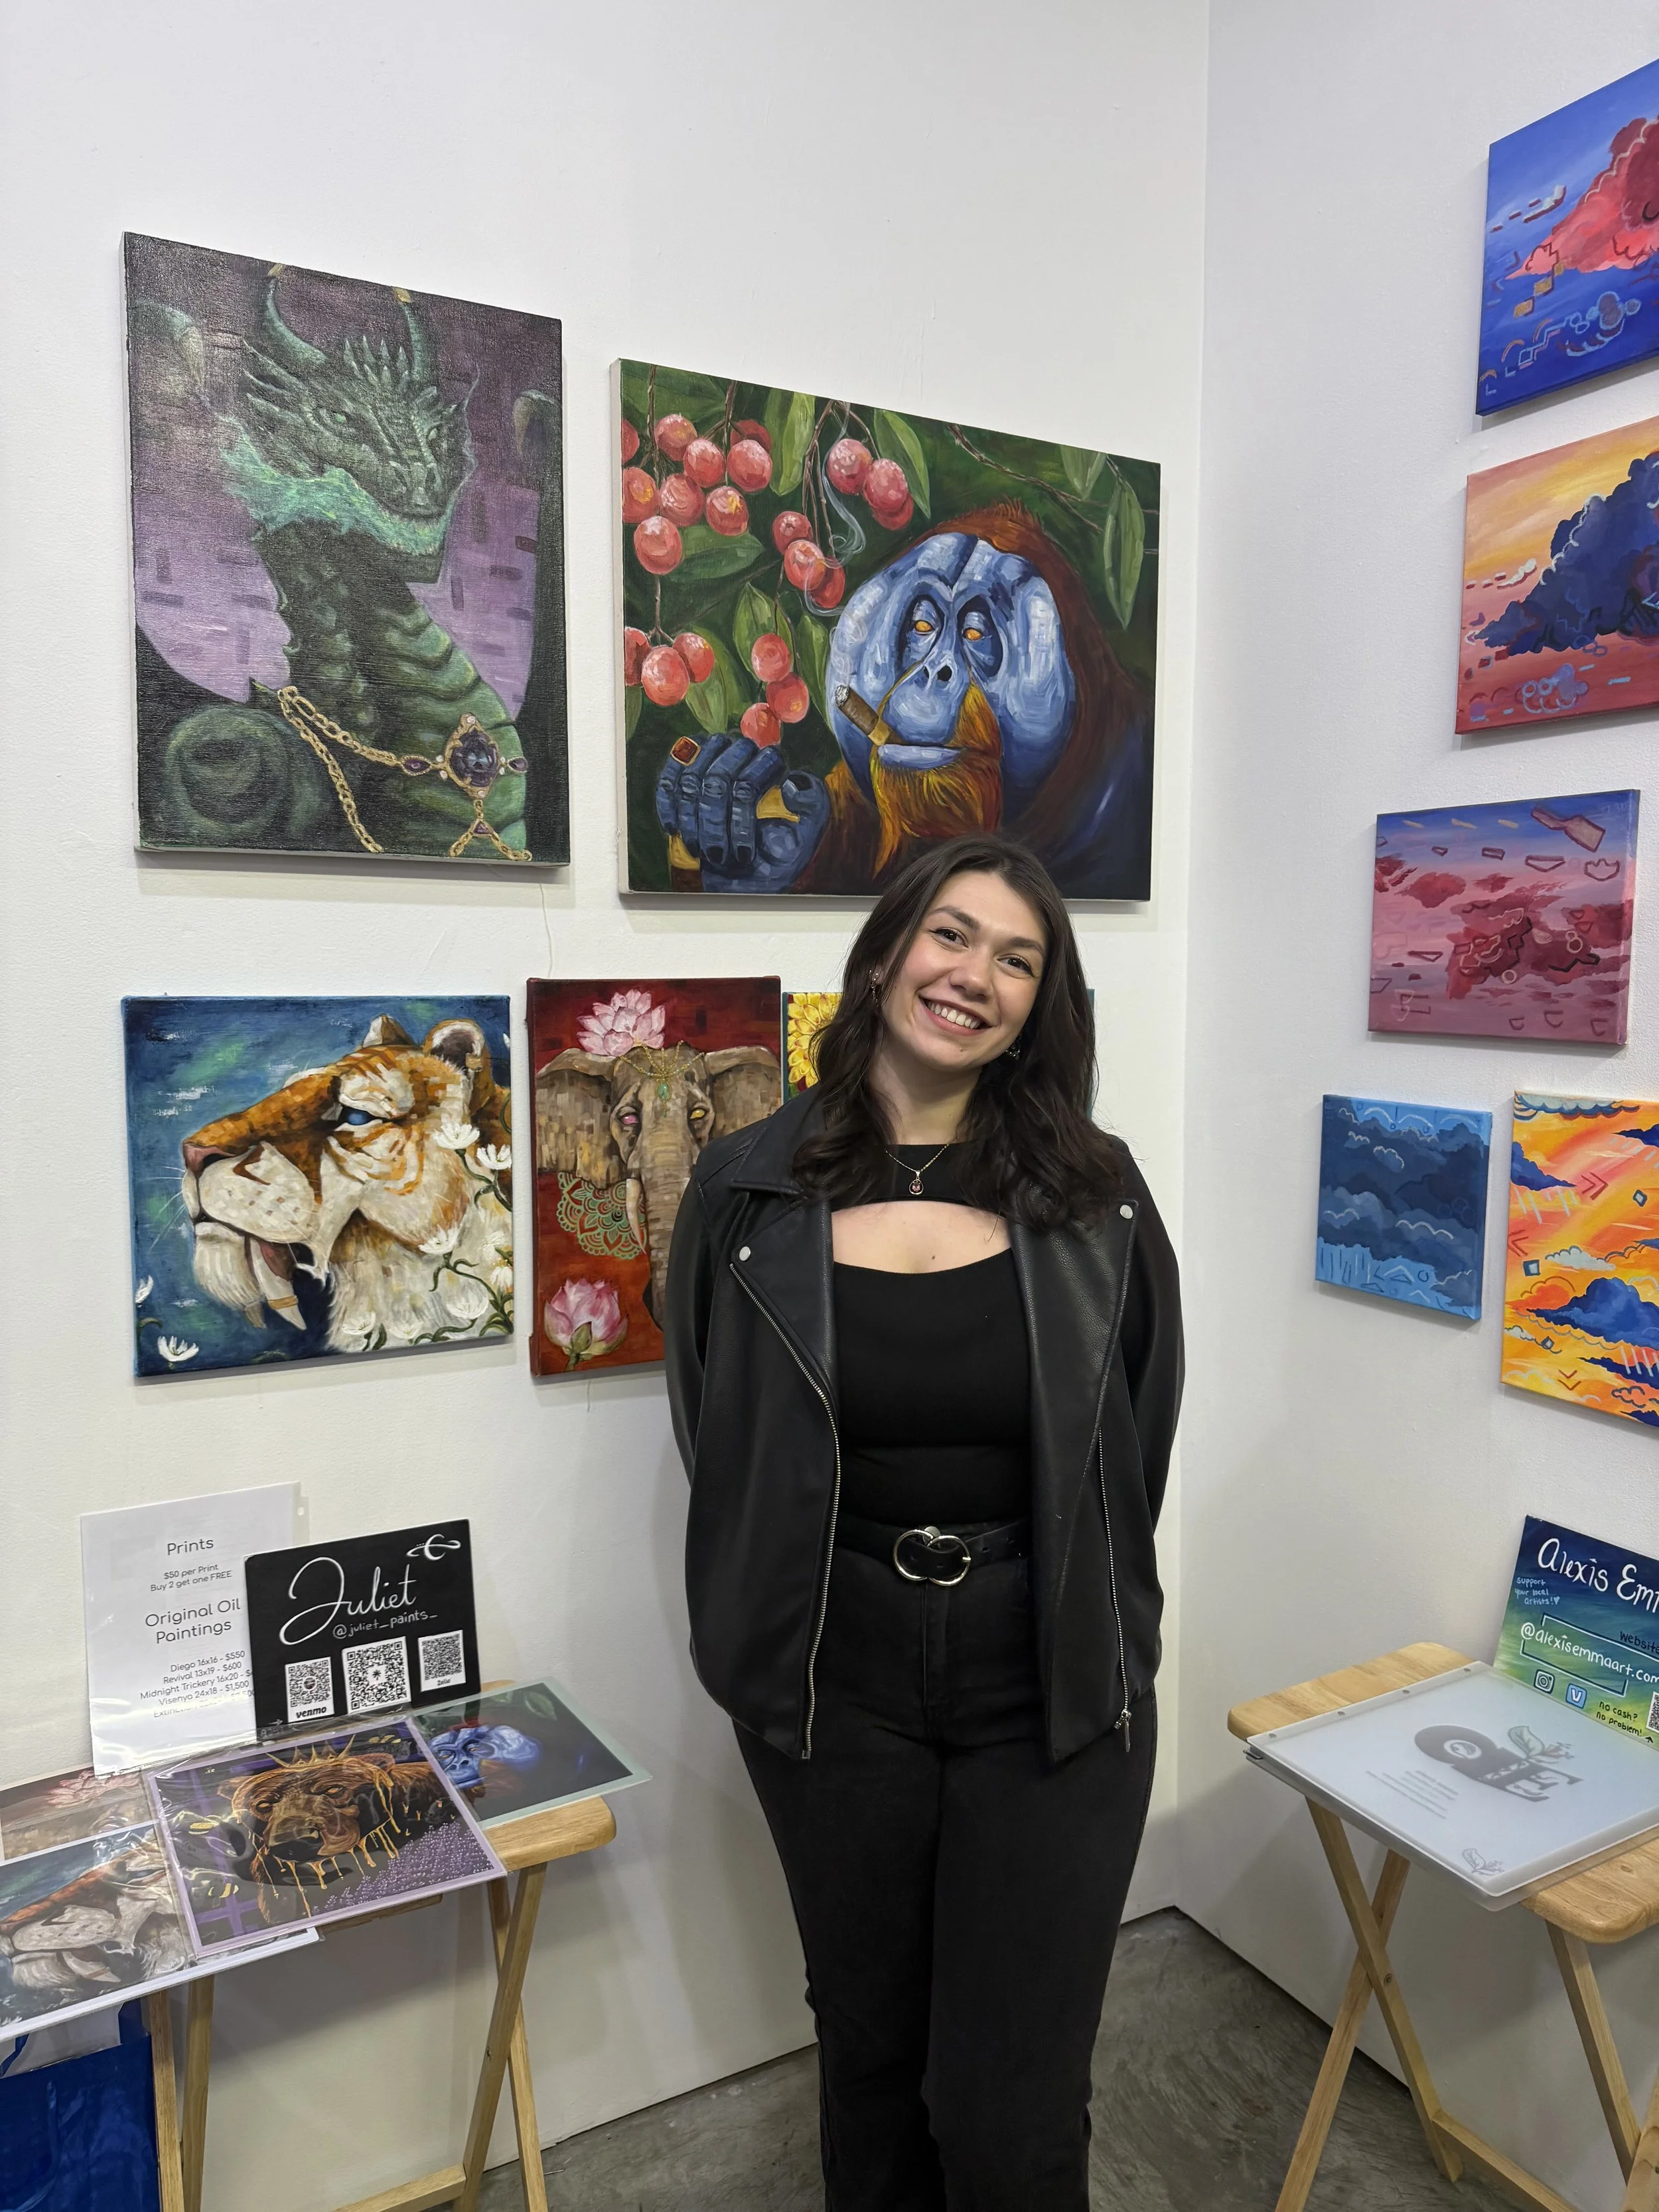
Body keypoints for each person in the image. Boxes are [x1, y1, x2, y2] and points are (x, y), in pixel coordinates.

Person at [664, 832, 1182, 2211]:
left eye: (1018, 958)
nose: (975, 975)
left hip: (1046, 1666)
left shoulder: (1096, 1196)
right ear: (887, 949)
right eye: (952, 934)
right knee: (870, 2060)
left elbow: (1134, 1433)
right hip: (835, 1669)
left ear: (1039, 1005)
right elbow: (716, 1422)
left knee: (1010, 2106)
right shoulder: (743, 1190)